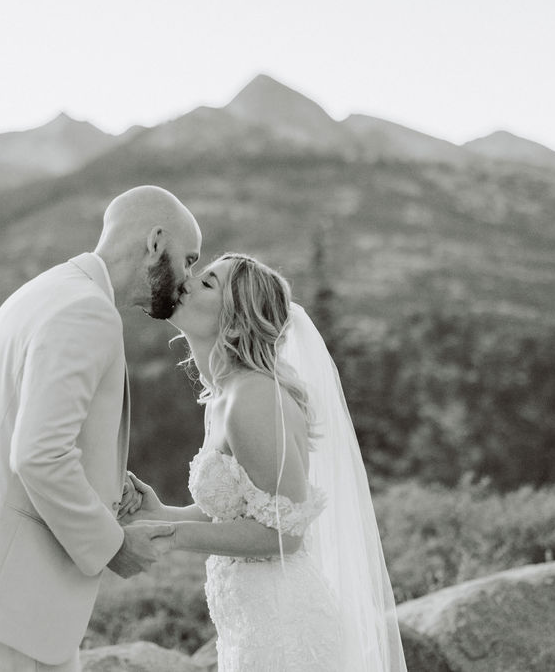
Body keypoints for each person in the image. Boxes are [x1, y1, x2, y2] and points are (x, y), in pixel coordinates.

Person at [0, 186, 202, 671]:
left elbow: (23, 427)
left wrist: (107, 483)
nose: (188, 278)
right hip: (12, 594)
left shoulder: (46, 290)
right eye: (188, 258)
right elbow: (38, 454)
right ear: (155, 242)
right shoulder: (87, 312)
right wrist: (113, 546)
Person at [124, 253, 407, 671]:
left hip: (283, 631)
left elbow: (283, 533)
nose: (184, 282)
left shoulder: (252, 396)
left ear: (236, 322)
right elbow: (241, 510)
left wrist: (173, 536)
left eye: (206, 284)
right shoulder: (220, 395)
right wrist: (161, 512)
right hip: (249, 623)